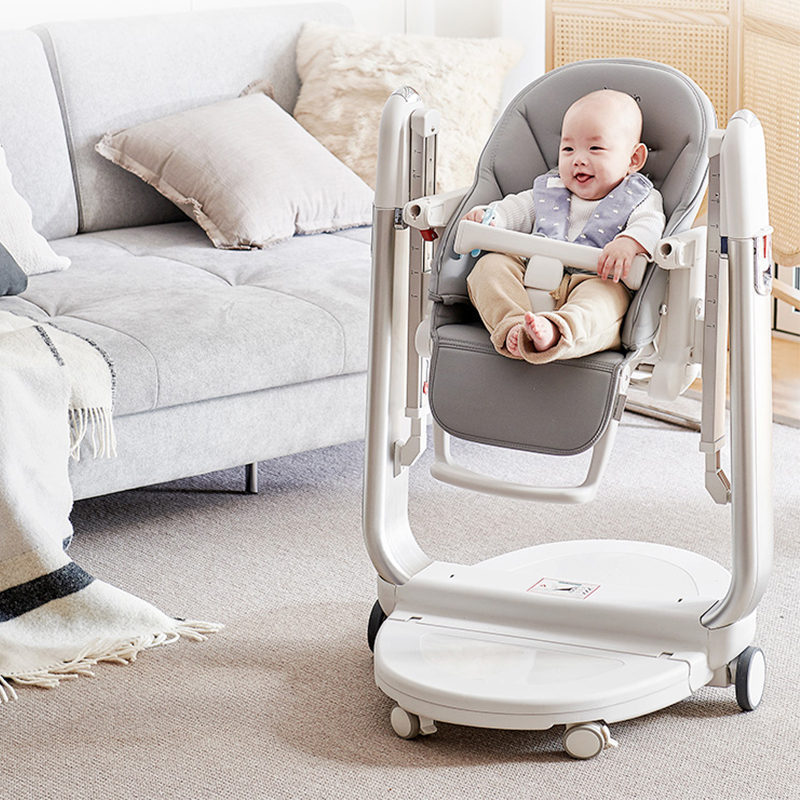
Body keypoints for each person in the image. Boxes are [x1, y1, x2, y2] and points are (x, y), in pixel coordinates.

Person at [465, 89, 666, 364]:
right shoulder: (551, 189)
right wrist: (490, 217)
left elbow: (651, 223)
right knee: (488, 268)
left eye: (595, 148)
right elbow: (517, 209)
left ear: (634, 159)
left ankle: (558, 332)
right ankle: (513, 326)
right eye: (568, 149)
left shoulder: (639, 197)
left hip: (595, 279)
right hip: (530, 275)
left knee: (605, 303)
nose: (579, 159)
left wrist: (629, 243)